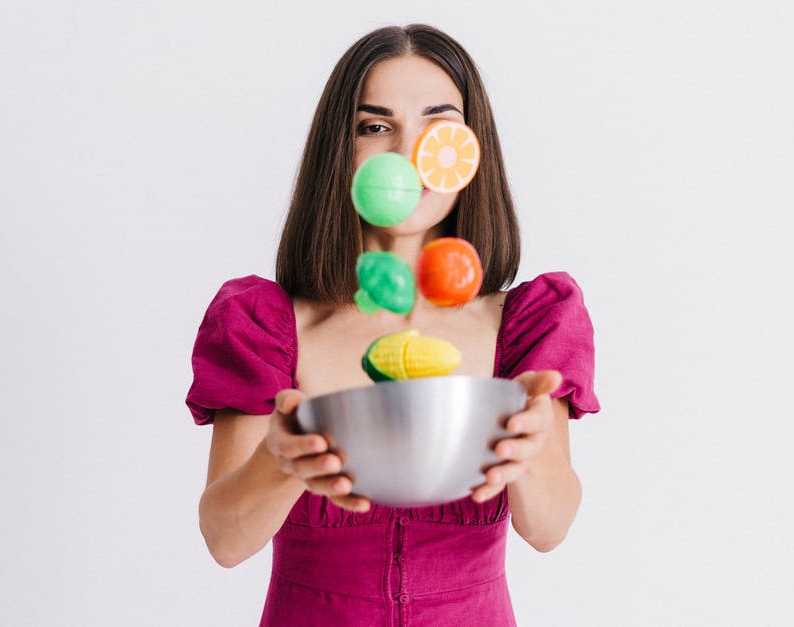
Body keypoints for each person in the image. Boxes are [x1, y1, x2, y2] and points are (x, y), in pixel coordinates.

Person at [187, 24, 600, 626]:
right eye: (375, 127)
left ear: (470, 149)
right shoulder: (265, 325)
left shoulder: (528, 324)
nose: (409, 156)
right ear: (341, 149)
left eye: (440, 124)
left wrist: (531, 450)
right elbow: (224, 541)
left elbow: (550, 529)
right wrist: (277, 459)